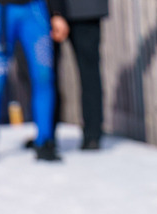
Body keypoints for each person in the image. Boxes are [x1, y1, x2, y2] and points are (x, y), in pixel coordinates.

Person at [0, 0, 63, 161]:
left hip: (35, 10)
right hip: (0, 12)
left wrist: (57, 13)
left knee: (44, 77)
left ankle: (44, 141)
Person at [50, 0, 108, 150]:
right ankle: (47, 134)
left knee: (88, 72)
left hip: (83, 9)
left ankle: (92, 134)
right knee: (46, 75)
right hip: (78, 8)